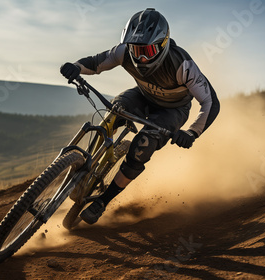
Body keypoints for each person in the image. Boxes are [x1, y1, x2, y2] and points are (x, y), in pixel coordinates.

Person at [60, 8, 220, 225]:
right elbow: (96, 63)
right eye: (136, 50)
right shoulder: (123, 51)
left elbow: (210, 102)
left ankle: (102, 202)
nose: (141, 57)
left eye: (148, 50)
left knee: (142, 146)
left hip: (172, 110)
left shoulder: (183, 65)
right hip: (142, 96)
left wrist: (191, 133)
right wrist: (75, 67)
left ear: (163, 45)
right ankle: (86, 168)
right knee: (112, 114)